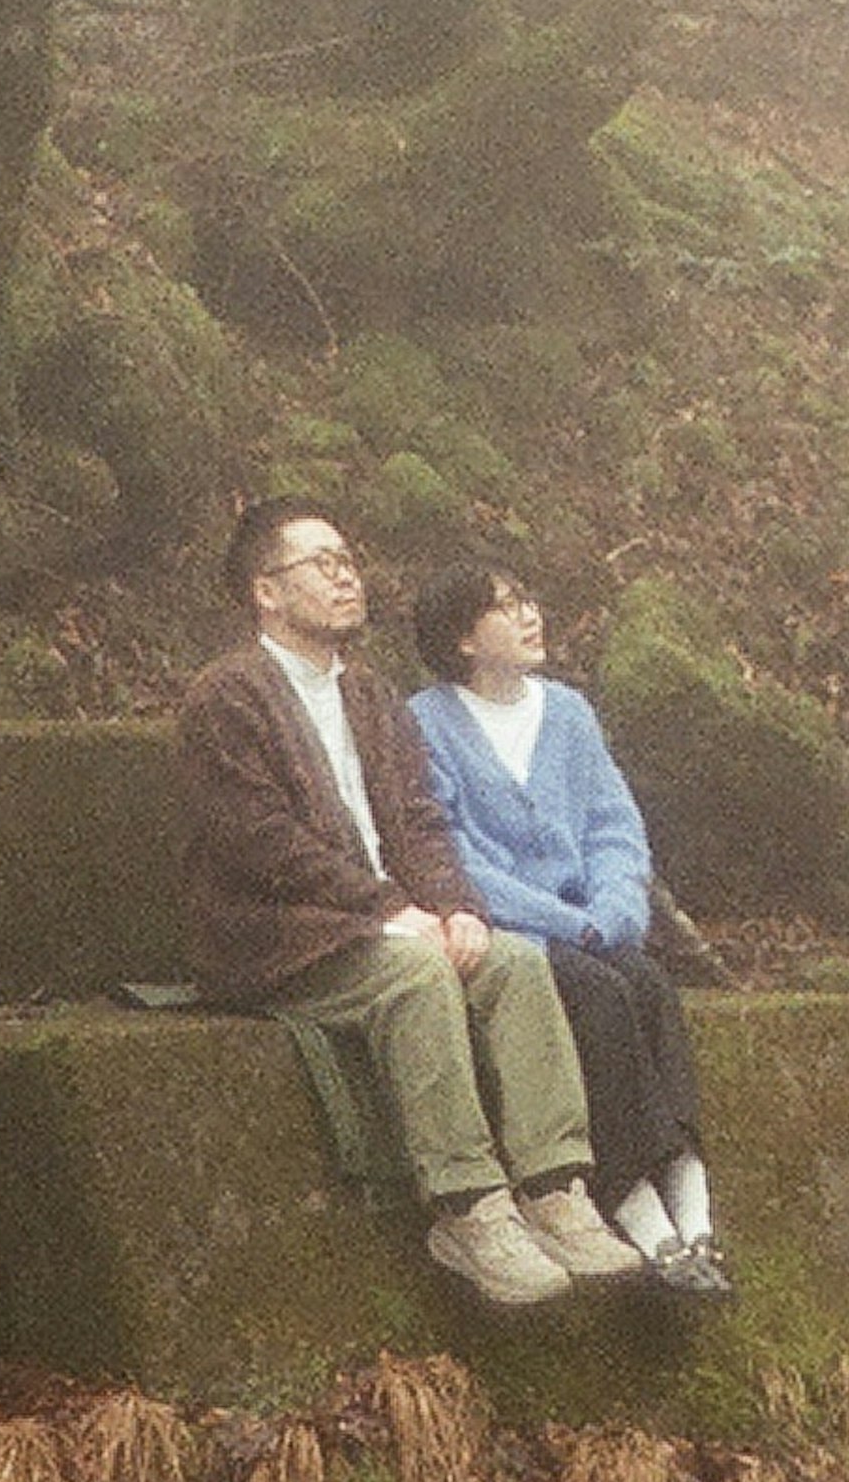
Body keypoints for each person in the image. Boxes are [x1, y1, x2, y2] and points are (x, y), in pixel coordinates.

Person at [175, 497, 647, 1315]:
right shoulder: (228, 698)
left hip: (385, 920)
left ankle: (555, 1186)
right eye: (320, 563)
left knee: (515, 962)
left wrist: (458, 905)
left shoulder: (370, 694)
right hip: (280, 938)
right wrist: (391, 909)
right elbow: (262, 843)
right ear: (266, 592)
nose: (344, 575)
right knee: (419, 977)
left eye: (348, 559)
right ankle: (466, 1207)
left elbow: (421, 823)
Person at [406, 561, 735, 1305]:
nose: (530, 615)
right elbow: (455, 856)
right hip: (519, 928)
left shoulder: (569, 714)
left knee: (649, 984)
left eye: (528, 597)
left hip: (594, 922)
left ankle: (695, 1205)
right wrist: (565, 922)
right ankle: (642, 1218)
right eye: (506, 607)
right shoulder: (427, 722)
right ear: (462, 639)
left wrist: (615, 911)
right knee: (595, 999)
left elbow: (615, 827)